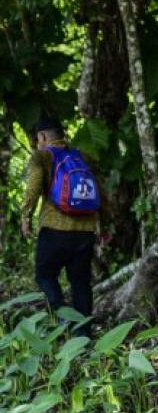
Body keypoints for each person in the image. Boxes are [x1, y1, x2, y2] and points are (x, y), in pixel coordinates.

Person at [21, 116, 107, 333]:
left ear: (42, 137)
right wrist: (100, 226)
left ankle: (62, 316)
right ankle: (84, 334)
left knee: (44, 275)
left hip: (55, 228)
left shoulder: (42, 156)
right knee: (80, 283)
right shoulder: (81, 156)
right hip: (85, 231)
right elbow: (99, 193)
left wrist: (26, 216)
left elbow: (33, 187)